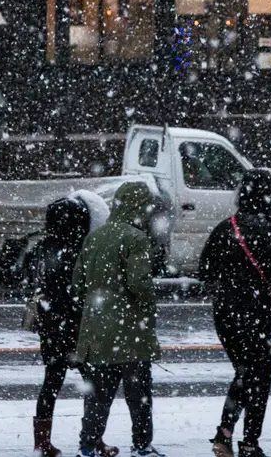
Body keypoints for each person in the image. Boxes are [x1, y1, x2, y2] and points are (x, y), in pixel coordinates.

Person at [198, 169, 271, 457]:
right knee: (259, 378)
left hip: (226, 314)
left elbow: (204, 269)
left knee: (243, 373)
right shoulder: (267, 230)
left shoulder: (225, 227)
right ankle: (249, 443)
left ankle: (224, 435)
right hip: (257, 313)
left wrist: (229, 281)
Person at [72, 181, 167, 457]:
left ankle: (88, 446)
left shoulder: (95, 237)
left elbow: (78, 282)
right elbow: (139, 284)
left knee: (97, 397)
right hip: (130, 334)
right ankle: (141, 446)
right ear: (140, 207)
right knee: (139, 397)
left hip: (97, 332)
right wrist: (148, 309)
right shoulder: (137, 239)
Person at [32, 196, 119, 457]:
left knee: (52, 381)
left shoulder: (43, 245)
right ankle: (93, 439)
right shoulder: (82, 250)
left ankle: (41, 442)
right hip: (78, 324)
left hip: (50, 322)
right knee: (94, 382)